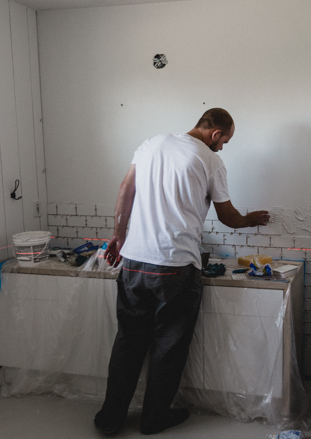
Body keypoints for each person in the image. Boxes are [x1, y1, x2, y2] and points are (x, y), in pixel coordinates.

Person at [94, 108, 269, 436]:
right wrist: (251, 219)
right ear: (215, 134)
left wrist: (118, 236)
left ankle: (110, 418)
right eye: (225, 141)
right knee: (168, 346)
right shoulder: (210, 159)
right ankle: (153, 418)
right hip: (174, 266)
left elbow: (124, 192)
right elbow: (228, 217)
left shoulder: (150, 144)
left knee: (128, 342)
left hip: (133, 261)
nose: (222, 148)